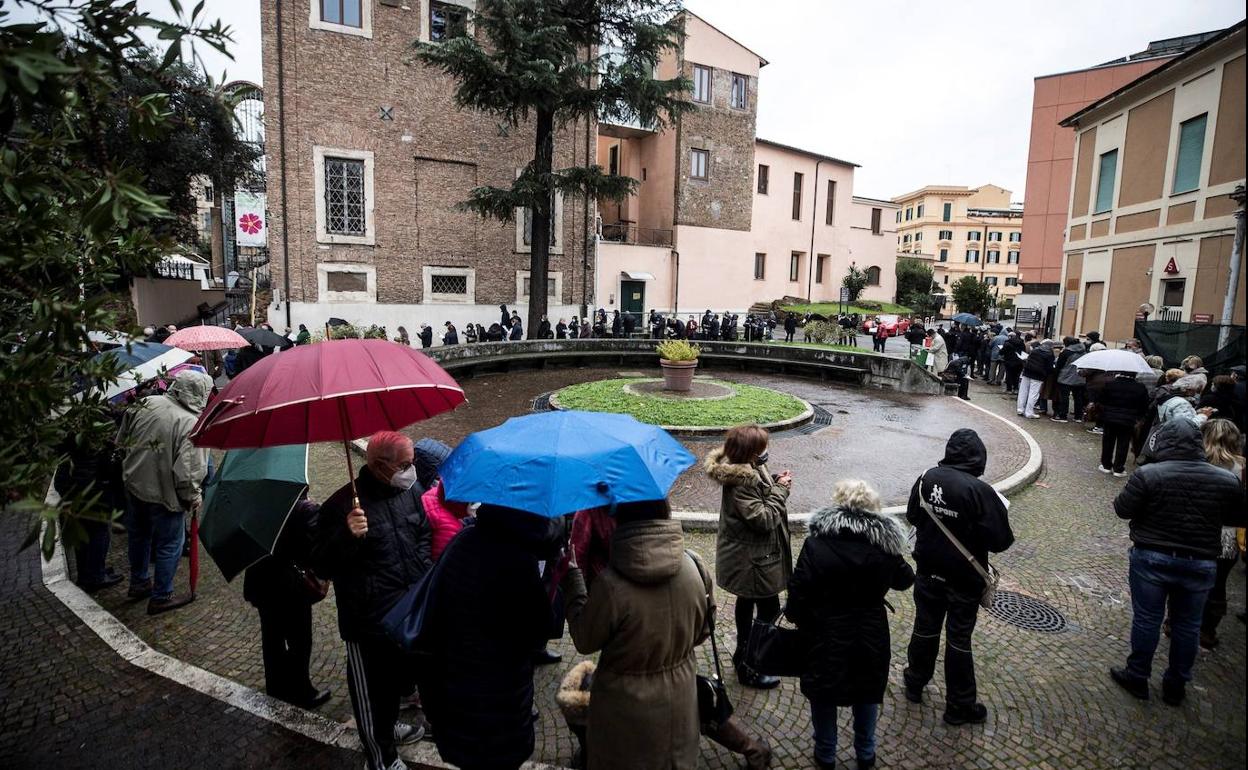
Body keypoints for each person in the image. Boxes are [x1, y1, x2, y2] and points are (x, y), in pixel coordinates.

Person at [562, 500, 733, 770]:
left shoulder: (610, 586)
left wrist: (573, 584)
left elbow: (584, 640)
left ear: (620, 519)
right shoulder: (695, 566)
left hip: (624, 714)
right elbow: (704, 629)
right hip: (681, 705)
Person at [312, 431, 431, 770]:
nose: (412, 471)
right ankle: (380, 759)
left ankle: (388, 726)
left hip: (407, 610)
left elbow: (422, 532)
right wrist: (346, 536)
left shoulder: (410, 490)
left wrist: (421, 571)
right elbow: (322, 564)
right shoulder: (340, 507)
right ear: (380, 466)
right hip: (368, 622)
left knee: (394, 684)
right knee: (372, 693)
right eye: (405, 465)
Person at [420, 504, 565, 770]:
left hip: (458, 695)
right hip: (503, 705)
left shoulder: (461, 542)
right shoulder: (519, 558)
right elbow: (539, 629)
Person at [1110, 419, 1242, 706]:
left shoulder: (1149, 474)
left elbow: (1122, 509)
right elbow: (1236, 518)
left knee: (1147, 619)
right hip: (1201, 561)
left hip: (1152, 557)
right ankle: (1176, 685)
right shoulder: (1228, 480)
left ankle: (1137, 676)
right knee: (1188, 625)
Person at [788, 481, 915, 770]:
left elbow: (798, 589)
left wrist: (797, 616)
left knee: (823, 690)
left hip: (824, 631)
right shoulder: (885, 545)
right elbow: (905, 580)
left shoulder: (817, 542)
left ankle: (825, 754)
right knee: (866, 689)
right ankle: (866, 752)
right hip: (870, 632)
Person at [903, 429, 1014, 725]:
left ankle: (914, 682)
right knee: (958, 639)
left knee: (924, 627)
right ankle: (959, 705)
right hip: (964, 578)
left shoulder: (927, 478)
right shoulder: (979, 491)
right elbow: (1001, 541)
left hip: (928, 570)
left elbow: (913, 516)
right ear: (978, 458)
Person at [115, 370, 213, 615]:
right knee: (170, 543)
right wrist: (193, 497)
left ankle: (139, 582)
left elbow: (122, 439)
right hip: (165, 493)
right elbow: (189, 471)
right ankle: (161, 595)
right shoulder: (191, 423)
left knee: (139, 535)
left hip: (135, 483)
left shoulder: (147, 402)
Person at [705, 424, 792, 690]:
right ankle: (748, 666)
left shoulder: (747, 468)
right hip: (753, 561)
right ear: (750, 453)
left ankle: (743, 655)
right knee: (768, 609)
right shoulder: (741, 481)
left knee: (750, 601)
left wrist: (773, 482)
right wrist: (781, 491)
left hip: (755, 558)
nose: (766, 450)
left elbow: (759, 492)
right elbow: (764, 519)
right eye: (762, 447)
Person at [244, 496, 332, 709]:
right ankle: (302, 691)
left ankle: (275, 688)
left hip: (261, 580)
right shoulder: (302, 508)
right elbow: (317, 548)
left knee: (271, 637)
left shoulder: (250, 503)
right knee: (300, 640)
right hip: (290, 586)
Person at [1197, 419, 1244, 649]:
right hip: (1227, 535)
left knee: (1188, 579)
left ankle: (1175, 622)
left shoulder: (1197, 461)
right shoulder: (1242, 468)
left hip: (1196, 531)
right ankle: (1207, 631)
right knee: (1218, 583)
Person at [1097, 372, 1149, 477]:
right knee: (1123, 443)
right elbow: (1144, 405)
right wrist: (1138, 417)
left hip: (1110, 417)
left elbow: (1101, 400)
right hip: (1128, 419)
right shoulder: (1140, 387)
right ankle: (1118, 468)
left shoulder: (1110, 384)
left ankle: (1106, 465)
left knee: (1108, 441)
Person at [1051, 336, 1087, 422]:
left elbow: (1059, 366)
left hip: (1065, 378)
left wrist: (1056, 376)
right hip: (1079, 377)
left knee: (1064, 397)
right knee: (1078, 398)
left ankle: (1063, 416)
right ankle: (1078, 416)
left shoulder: (1066, 352)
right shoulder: (1084, 351)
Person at [1017, 339, 1054, 419]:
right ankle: (1029, 412)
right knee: (1033, 394)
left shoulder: (1035, 350)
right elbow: (1049, 367)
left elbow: (1028, 360)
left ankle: (1020, 409)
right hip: (1038, 375)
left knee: (1023, 391)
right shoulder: (1049, 354)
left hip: (1027, 372)